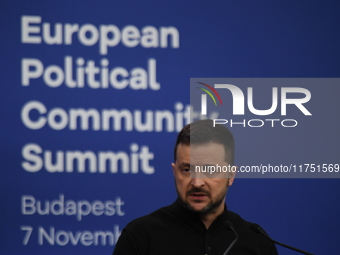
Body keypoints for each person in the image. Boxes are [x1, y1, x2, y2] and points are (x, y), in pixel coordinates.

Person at [113, 119, 278, 255]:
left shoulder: (257, 241)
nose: (197, 182)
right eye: (187, 170)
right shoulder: (140, 235)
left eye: (210, 170)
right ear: (174, 171)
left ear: (231, 176)